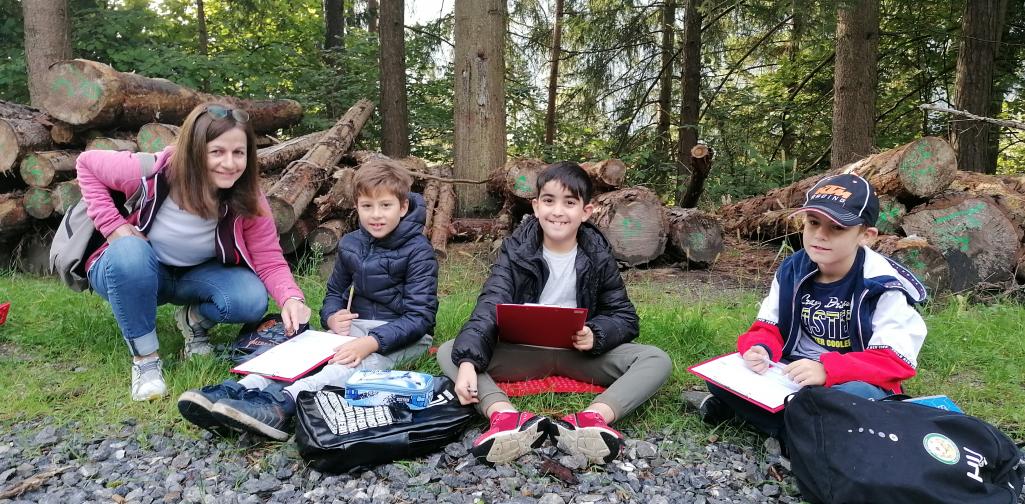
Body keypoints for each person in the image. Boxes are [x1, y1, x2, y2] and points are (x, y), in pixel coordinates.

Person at [178, 159, 439, 441]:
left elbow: (420, 317)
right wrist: (331, 316)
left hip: (405, 337)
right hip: (355, 328)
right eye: (367, 206)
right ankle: (239, 390)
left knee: (350, 366)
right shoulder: (352, 244)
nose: (376, 215)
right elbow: (335, 293)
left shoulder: (419, 251)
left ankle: (281, 405)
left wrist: (370, 343)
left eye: (385, 206)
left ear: (402, 207)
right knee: (304, 352)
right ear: (357, 206)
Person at [437, 162, 672, 465]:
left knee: (656, 359)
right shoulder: (516, 250)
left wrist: (597, 333)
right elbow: (489, 306)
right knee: (451, 351)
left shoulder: (598, 254)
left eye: (569, 203)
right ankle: (505, 417)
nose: (557, 212)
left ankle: (592, 419)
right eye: (549, 201)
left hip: (580, 354)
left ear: (586, 212)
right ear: (535, 206)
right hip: (524, 352)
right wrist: (469, 361)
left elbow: (624, 316)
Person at [77, 103, 312, 402]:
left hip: (193, 276)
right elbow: (86, 163)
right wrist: (113, 227)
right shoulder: (153, 170)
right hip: (131, 268)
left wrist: (291, 297)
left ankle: (193, 321)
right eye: (217, 152)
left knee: (251, 299)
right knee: (129, 251)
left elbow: (268, 258)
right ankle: (146, 361)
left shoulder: (249, 199)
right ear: (195, 150)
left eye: (238, 153)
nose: (229, 163)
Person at [685, 174, 928, 444]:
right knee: (721, 378)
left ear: (866, 235)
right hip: (791, 372)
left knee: (852, 399)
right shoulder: (792, 270)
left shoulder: (883, 285)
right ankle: (806, 433)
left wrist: (827, 370)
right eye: (813, 223)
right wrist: (761, 349)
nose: (820, 235)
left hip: (850, 380)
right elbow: (768, 327)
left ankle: (775, 425)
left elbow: (893, 361)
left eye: (837, 227)